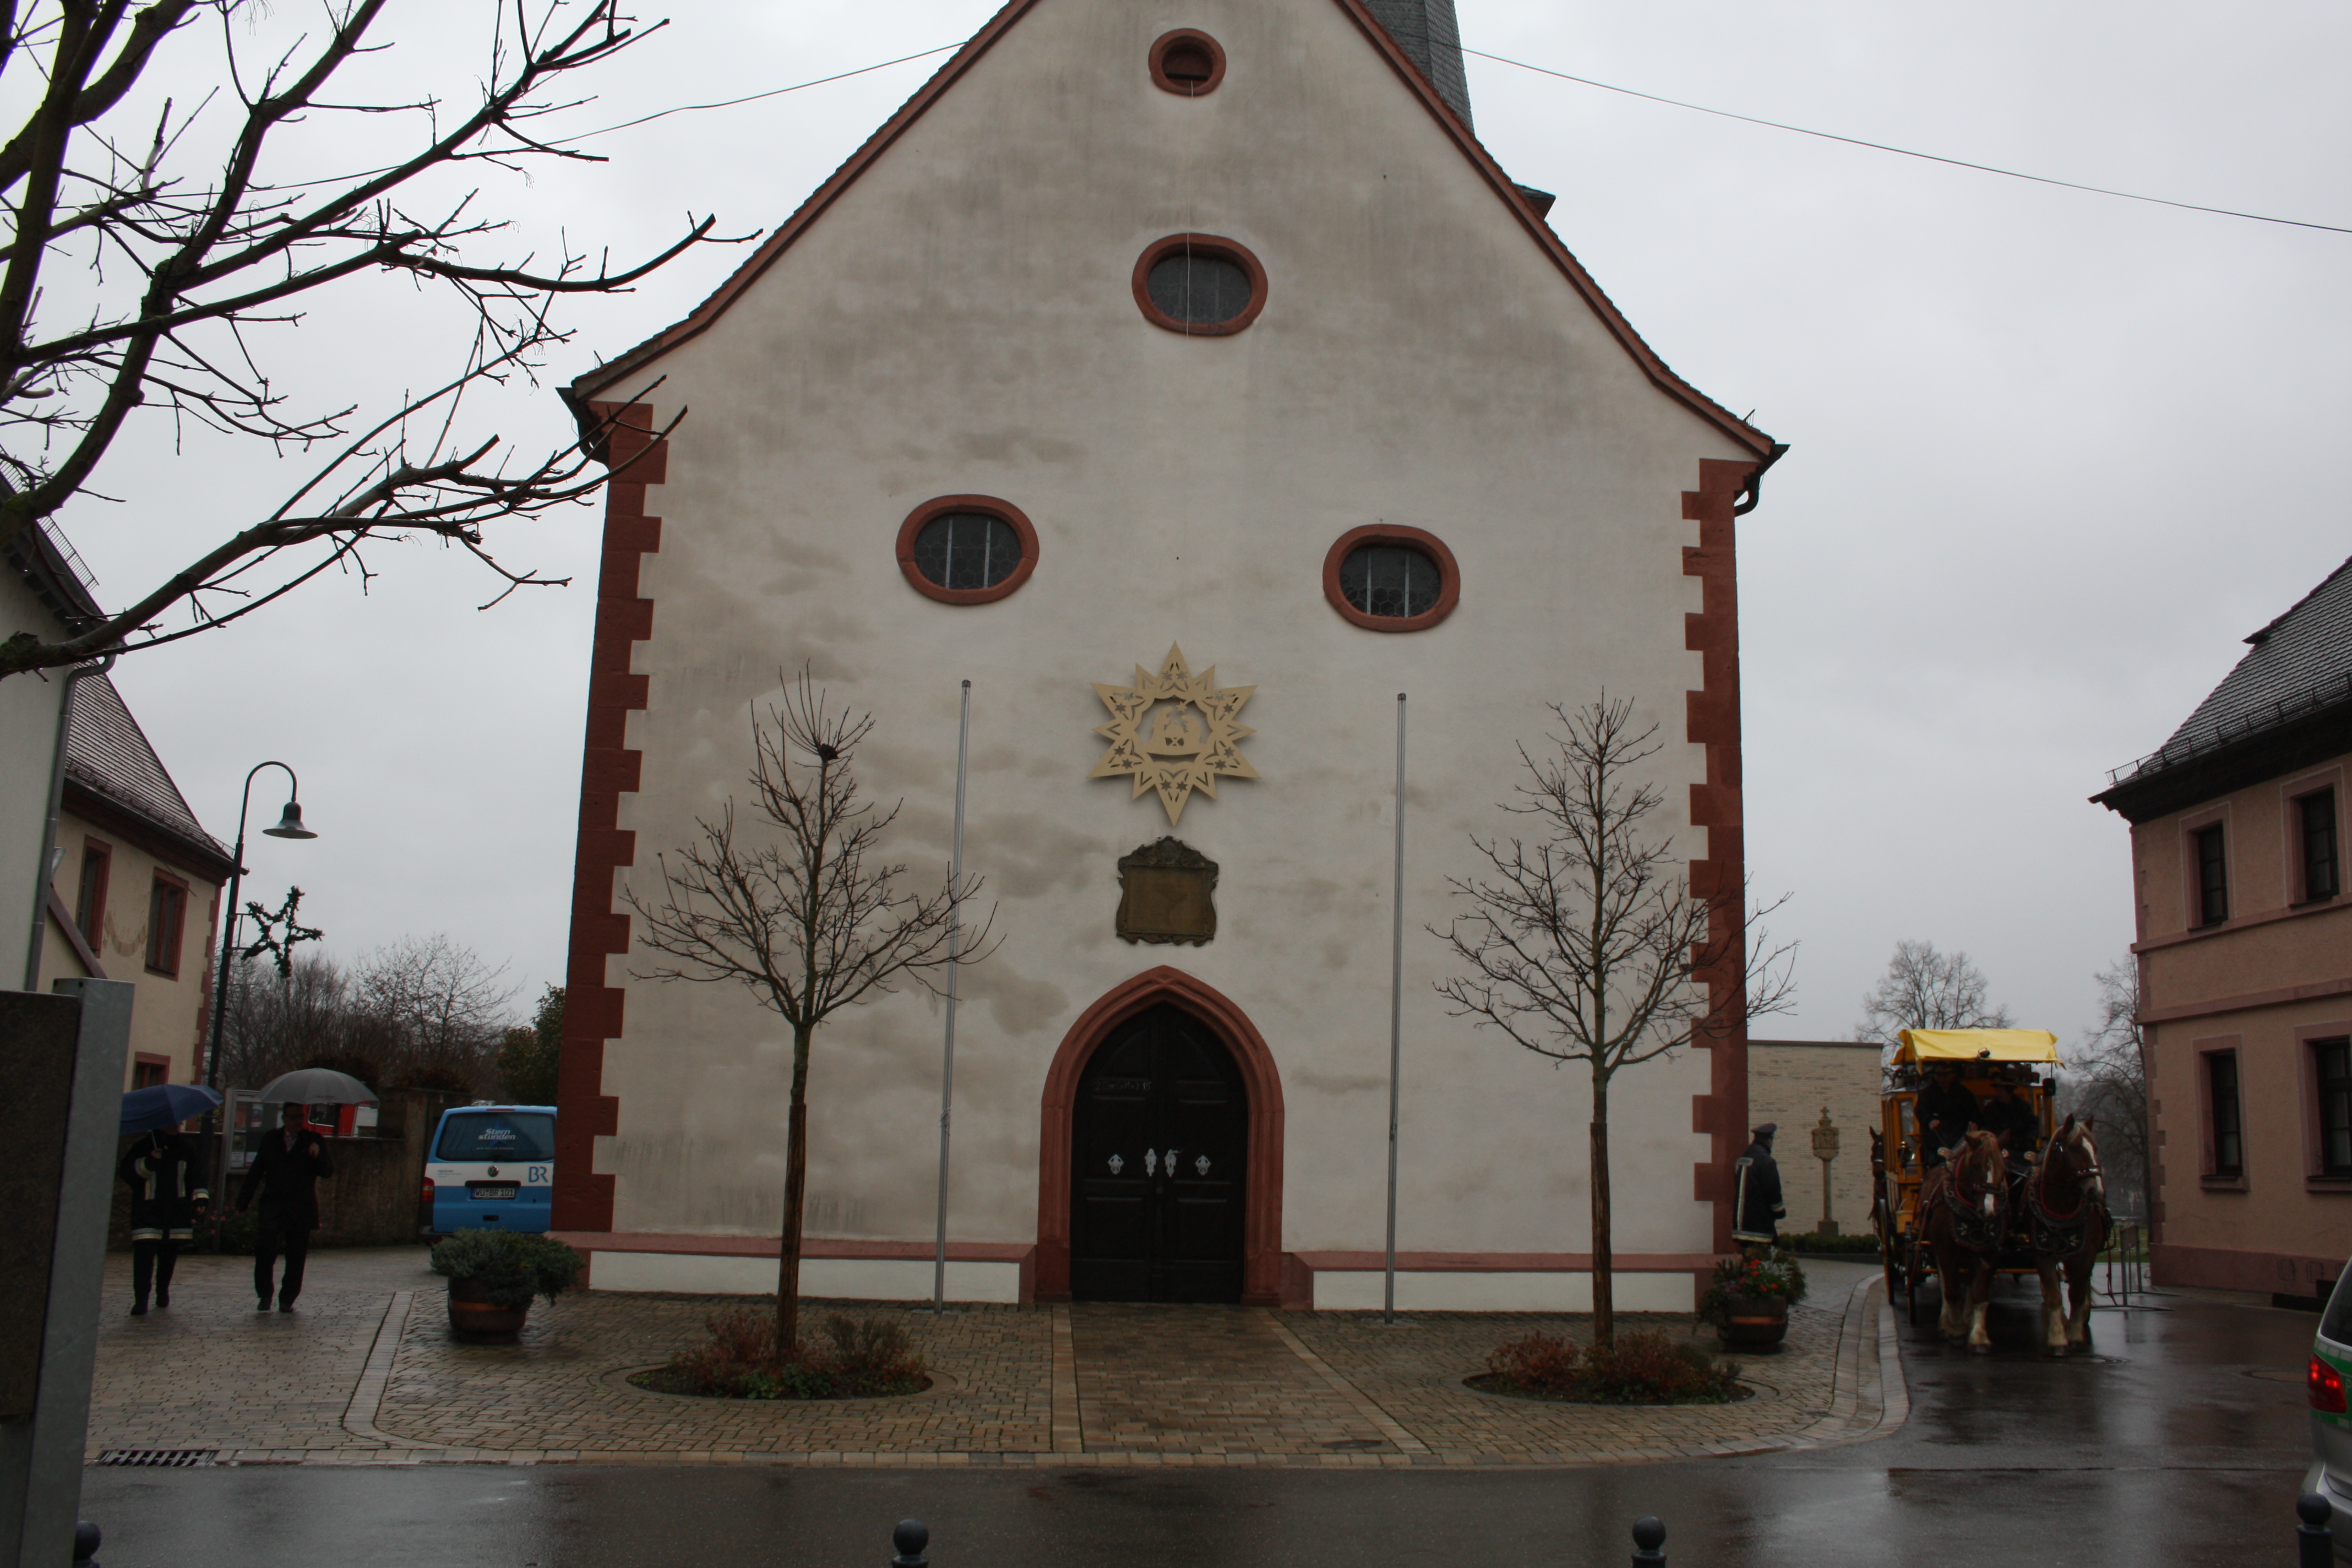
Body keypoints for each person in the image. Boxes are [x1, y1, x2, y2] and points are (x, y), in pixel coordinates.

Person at [236, 1110, 334, 1311]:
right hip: (273, 1203)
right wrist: (243, 1201)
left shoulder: (313, 1140)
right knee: (265, 1250)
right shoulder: (271, 1139)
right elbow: (257, 1170)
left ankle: (288, 1299)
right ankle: (265, 1294)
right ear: (285, 1119)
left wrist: (318, 1156)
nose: (298, 1121)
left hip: (301, 1206)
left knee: (296, 1255)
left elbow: (327, 1172)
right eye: (293, 1117)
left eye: (300, 1117)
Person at [118, 1127, 207, 1315]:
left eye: (178, 1123)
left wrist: (200, 1199)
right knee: (144, 1257)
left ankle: (162, 1292)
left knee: (168, 1256)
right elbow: (126, 1173)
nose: (176, 1126)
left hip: (176, 1212)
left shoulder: (186, 1149)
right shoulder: (144, 1146)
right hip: (147, 1211)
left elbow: (197, 1175)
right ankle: (141, 1300)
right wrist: (149, 1162)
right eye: (171, 1123)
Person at [1914, 1061, 1983, 1168]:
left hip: (1959, 1138)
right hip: (1936, 1140)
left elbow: (1974, 1112)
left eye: (1946, 1076)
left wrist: (1974, 1122)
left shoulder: (1964, 1094)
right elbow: (1921, 1111)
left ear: (1953, 1075)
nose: (1942, 1079)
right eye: (1939, 1076)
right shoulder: (1927, 1094)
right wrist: (1930, 1120)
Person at [1732, 1123, 1786, 1249]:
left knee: (1749, 1256)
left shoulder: (1741, 1161)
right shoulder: (1766, 1161)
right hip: (1760, 1224)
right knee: (1767, 1256)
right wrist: (1780, 1212)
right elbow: (1773, 1190)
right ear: (1769, 1141)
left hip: (1741, 1226)